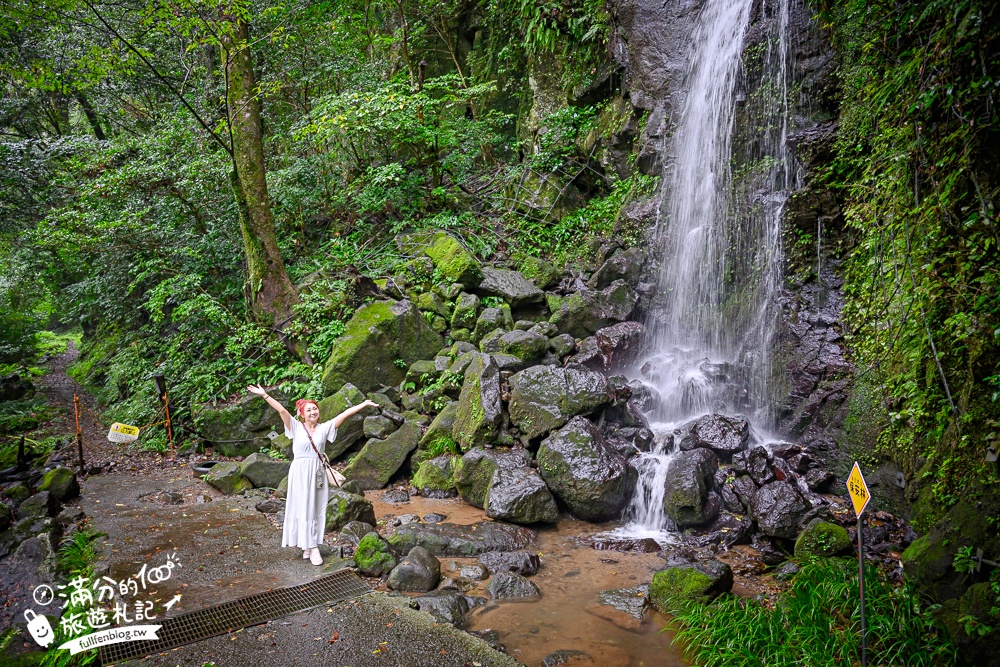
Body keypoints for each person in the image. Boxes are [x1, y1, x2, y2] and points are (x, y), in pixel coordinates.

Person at [247, 384, 377, 565]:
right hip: (300, 471)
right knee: (303, 507)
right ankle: (312, 547)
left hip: (317, 472)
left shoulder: (325, 428)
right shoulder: (296, 427)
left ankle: (310, 545)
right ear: (301, 414)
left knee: (316, 507)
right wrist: (265, 395)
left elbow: (345, 415)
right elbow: (282, 410)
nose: (313, 412)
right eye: (309, 410)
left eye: (315, 408)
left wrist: (363, 404)